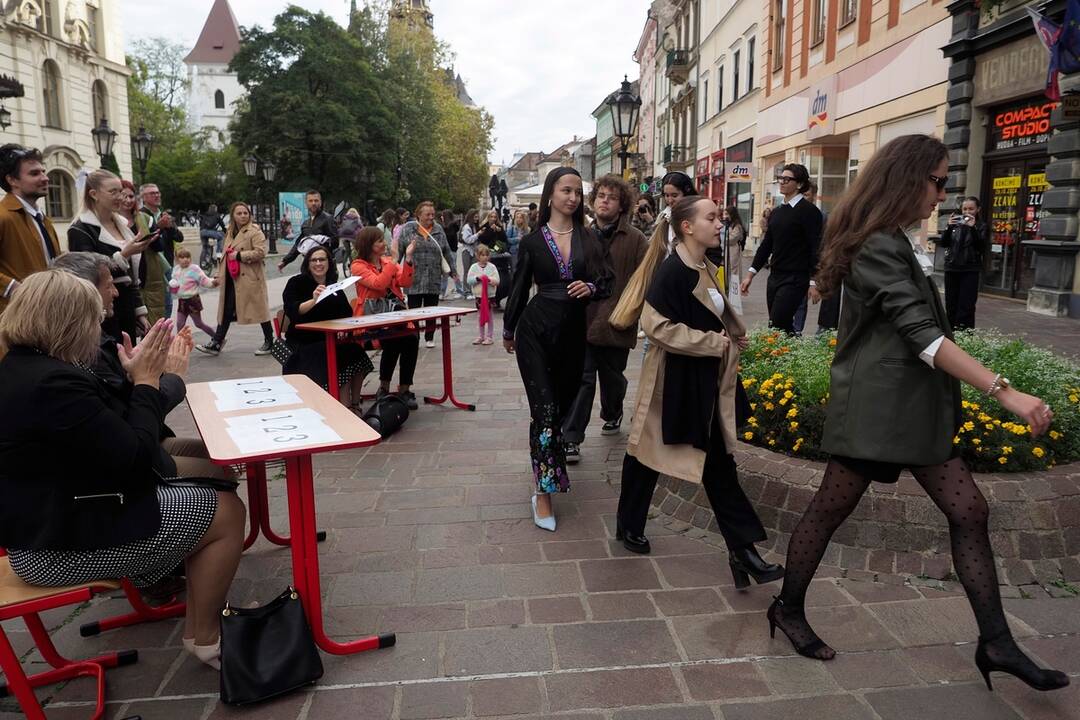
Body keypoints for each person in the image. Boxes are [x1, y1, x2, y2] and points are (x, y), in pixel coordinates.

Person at [765, 135, 1068, 695]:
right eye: (938, 181)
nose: (943, 194)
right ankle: (787, 608)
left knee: (969, 510)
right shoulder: (878, 246)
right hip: (878, 411)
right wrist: (1006, 391)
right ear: (907, 179)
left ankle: (996, 643)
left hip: (910, 407)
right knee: (830, 509)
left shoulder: (893, 241)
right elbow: (922, 335)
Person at [0, 270, 245, 670]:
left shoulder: (28, 367)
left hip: (52, 519)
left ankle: (185, 596)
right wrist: (148, 381)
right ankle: (206, 639)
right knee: (226, 512)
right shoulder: (51, 382)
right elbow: (134, 459)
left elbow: (109, 426)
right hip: (52, 546)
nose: (100, 329)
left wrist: (137, 375)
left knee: (212, 485)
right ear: (70, 323)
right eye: (95, 320)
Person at [615, 196, 783, 590]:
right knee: (647, 454)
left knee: (706, 462)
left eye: (719, 217)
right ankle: (633, 526)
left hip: (702, 380)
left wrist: (733, 335)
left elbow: (717, 308)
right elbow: (656, 326)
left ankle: (742, 552)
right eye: (710, 218)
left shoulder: (705, 264)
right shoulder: (673, 271)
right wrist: (714, 343)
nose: (719, 223)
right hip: (676, 381)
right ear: (687, 227)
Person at [502, 167, 612, 532]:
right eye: (567, 190)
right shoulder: (533, 242)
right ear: (551, 194)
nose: (573, 198)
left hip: (571, 335)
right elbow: (518, 288)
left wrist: (591, 289)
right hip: (534, 331)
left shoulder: (589, 238)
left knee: (562, 409)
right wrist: (508, 329)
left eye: (578, 192)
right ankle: (544, 491)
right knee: (546, 412)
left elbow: (607, 280)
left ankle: (549, 472)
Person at [563, 175, 648, 463]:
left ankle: (613, 411)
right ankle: (571, 438)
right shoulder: (580, 235)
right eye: (600, 195)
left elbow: (644, 281)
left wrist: (634, 311)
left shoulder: (636, 239)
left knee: (612, 379)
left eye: (611, 197)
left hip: (616, 321)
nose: (605, 201)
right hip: (584, 320)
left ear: (622, 205)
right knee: (582, 380)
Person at [67, 169, 153, 343]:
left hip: (126, 305)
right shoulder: (80, 229)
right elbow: (87, 276)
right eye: (113, 192)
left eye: (120, 191)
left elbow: (130, 277)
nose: (120, 197)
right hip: (102, 310)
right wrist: (123, 255)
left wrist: (139, 312)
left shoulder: (122, 225)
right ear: (93, 194)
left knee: (128, 358)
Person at [282, 245, 373, 406]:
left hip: (330, 339)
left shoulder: (333, 285)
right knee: (341, 359)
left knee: (356, 351)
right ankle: (344, 407)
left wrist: (344, 329)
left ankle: (354, 404)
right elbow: (293, 311)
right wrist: (314, 299)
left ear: (329, 263)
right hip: (304, 342)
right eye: (314, 260)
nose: (318, 263)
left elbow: (345, 312)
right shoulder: (296, 283)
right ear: (308, 263)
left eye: (322, 259)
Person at [740, 164, 823, 335]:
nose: (782, 182)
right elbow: (766, 245)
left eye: (787, 179)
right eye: (780, 178)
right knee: (779, 326)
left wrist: (814, 282)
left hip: (795, 278)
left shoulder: (809, 212)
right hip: (775, 276)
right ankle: (790, 357)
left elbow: (816, 248)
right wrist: (750, 274)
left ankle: (779, 356)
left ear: (799, 184)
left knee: (777, 323)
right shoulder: (777, 212)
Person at [352, 226, 420, 410]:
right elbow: (378, 283)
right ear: (369, 245)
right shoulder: (358, 266)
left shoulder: (387, 261)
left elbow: (405, 282)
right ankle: (384, 387)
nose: (384, 243)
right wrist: (394, 261)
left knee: (411, 337)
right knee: (395, 338)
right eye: (380, 240)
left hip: (392, 317)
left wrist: (409, 258)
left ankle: (404, 388)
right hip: (369, 322)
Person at [196, 202, 274, 356]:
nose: (243, 216)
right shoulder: (229, 232)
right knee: (226, 310)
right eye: (239, 213)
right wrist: (219, 274)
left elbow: (261, 252)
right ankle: (217, 342)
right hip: (232, 278)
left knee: (260, 310)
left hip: (250, 278)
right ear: (233, 216)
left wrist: (239, 255)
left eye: (245, 213)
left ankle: (270, 341)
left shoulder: (254, 231)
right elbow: (225, 256)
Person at [0, 145, 60, 316]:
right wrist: (14, 288)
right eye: (35, 174)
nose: (45, 178)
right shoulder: (3, 216)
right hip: (17, 319)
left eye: (43, 171)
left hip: (46, 314)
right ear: (12, 180)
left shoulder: (42, 219)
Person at [397, 201, 457, 348]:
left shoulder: (438, 229)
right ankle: (414, 336)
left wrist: (453, 271)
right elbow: (399, 250)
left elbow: (447, 251)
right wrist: (394, 267)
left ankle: (429, 337)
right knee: (414, 309)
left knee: (431, 309)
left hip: (433, 276)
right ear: (418, 215)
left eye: (432, 214)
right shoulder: (408, 229)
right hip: (414, 277)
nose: (431, 217)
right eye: (427, 214)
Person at [938, 196, 988, 330]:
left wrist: (973, 228)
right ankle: (950, 335)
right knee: (951, 305)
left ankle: (965, 337)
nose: (967, 212)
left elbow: (981, 247)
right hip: (952, 269)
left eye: (971, 209)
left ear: (978, 209)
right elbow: (943, 243)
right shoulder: (956, 224)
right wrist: (949, 227)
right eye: (965, 208)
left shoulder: (981, 226)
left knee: (966, 307)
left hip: (969, 270)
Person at [137, 184, 182, 323]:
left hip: (167, 265)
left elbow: (179, 237)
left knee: (168, 304)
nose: (156, 195)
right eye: (152, 193)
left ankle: (163, 336)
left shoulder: (164, 215)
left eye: (157, 192)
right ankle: (157, 336)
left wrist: (170, 228)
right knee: (157, 305)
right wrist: (159, 227)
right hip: (152, 267)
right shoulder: (141, 215)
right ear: (143, 198)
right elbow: (146, 240)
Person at [278, 190, 338, 272]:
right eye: (310, 201)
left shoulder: (328, 219)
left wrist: (318, 244)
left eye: (316, 200)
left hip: (324, 267)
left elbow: (335, 242)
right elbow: (298, 244)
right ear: (306, 203)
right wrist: (285, 261)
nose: (313, 203)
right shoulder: (306, 223)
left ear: (320, 202)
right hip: (309, 266)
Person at [170, 247, 219, 338]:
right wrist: (172, 286)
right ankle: (179, 343)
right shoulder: (176, 270)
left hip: (192, 300)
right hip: (182, 301)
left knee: (198, 323)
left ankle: (217, 337)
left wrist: (213, 283)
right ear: (177, 259)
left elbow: (204, 281)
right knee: (180, 324)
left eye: (187, 257)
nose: (185, 259)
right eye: (182, 257)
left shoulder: (194, 269)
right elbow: (174, 283)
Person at [467, 244, 499, 344]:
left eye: (486, 255)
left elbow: (497, 280)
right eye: (482, 255)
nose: (484, 257)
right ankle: (481, 336)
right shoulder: (473, 267)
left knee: (489, 316)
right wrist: (477, 278)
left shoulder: (492, 267)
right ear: (477, 256)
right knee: (480, 316)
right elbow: (469, 280)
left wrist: (489, 279)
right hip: (479, 296)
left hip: (490, 296)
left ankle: (489, 336)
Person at [440, 209, 466, 299]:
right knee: (450, 272)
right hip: (452, 251)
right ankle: (458, 290)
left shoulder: (448, 228)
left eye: (443, 216)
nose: (441, 217)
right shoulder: (452, 227)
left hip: (449, 251)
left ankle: (444, 292)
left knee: (447, 272)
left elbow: (448, 239)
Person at [459, 209, 481, 296]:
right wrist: (478, 234)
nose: (477, 218)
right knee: (467, 271)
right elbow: (467, 240)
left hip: (473, 251)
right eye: (475, 216)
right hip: (467, 251)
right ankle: (466, 291)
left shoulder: (474, 226)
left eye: (477, 216)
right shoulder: (467, 227)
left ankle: (471, 290)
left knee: (473, 271)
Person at [199, 205, 226, 270]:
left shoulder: (205, 214)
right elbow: (222, 224)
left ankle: (204, 262)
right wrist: (225, 231)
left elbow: (202, 223)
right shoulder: (217, 215)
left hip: (202, 232)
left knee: (205, 247)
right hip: (208, 231)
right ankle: (219, 254)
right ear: (215, 209)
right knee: (221, 237)